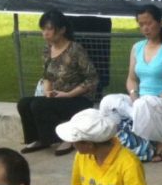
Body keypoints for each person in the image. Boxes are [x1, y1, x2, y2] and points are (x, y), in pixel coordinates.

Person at [99, 4, 162, 163]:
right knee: (108, 101)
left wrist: (159, 96)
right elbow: (131, 79)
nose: (145, 28)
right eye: (141, 24)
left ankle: (161, 143)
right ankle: (116, 139)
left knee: (144, 104)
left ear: (160, 23)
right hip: (141, 101)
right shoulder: (137, 48)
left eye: (149, 23)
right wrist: (134, 95)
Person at [17, 9, 100, 157]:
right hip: (57, 97)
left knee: (39, 105)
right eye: (43, 29)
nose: (45, 33)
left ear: (62, 30)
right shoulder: (47, 50)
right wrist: (48, 92)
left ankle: (63, 138)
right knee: (24, 103)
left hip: (78, 99)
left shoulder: (75, 49)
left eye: (49, 29)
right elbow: (47, 76)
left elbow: (92, 79)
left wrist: (68, 94)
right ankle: (39, 139)